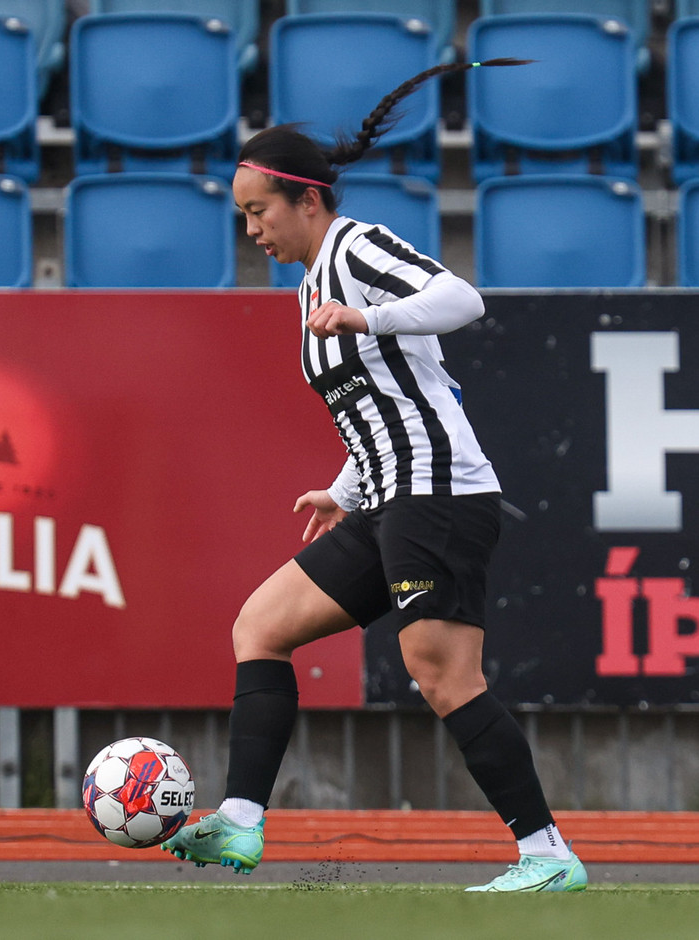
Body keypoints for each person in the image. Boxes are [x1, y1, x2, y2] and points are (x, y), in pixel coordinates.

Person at [162, 58, 587, 893]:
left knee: (440, 674)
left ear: (307, 201)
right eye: (243, 215)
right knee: (261, 626)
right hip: (389, 496)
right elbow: (390, 397)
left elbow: (461, 299)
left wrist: (369, 314)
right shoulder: (309, 289)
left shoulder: (356, 248)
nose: (251, 230)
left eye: (258, 211)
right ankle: (241, 823)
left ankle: (547, 855)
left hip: (439, 494)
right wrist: (345, 489)